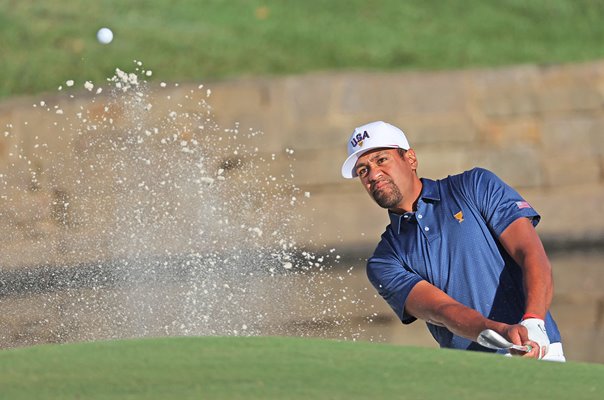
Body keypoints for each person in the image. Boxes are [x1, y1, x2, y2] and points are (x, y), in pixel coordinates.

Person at [341, 120, 565, 361]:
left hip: (540, 349)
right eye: (363, 170)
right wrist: (501, 332)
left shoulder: (475, 186)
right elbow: (443, 311)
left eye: (381, 160)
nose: (373, 175)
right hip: (469, 371)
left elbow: (530, 252)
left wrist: (533, 322)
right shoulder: (384, 260)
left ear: (411, 159)